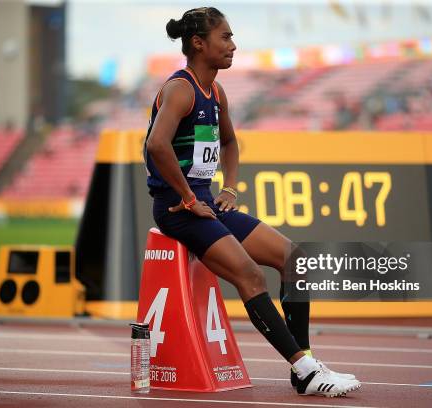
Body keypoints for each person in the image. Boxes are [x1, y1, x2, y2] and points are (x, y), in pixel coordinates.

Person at [143, 7, 361, 398]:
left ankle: (304, 364)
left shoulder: (216, 92)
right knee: (250, 275)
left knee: (294, 258)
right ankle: (306, 370)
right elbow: (156, 145)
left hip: (209, 203)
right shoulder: (180, 89)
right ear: (198, 43)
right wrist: (189, 197)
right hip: (179, 209)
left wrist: (230, 188)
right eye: (225, 37)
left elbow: (229, 142)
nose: (233, 45)